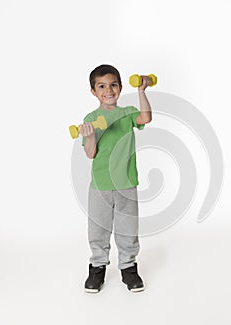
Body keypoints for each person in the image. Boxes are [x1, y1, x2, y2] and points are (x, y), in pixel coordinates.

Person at [79, 64, 152, 293]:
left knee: (128, 229)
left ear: (120, 88)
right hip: (101, 185)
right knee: (98, 229)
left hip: (126, 182)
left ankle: (128, 267)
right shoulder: (91, 118)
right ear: (94, 91)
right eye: (102, 86)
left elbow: (146, 117)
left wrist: (142, 91)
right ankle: (97, 266)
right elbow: (91, 153)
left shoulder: (127, 113)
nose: (108, 90)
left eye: (113, 85)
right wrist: (89, 136)